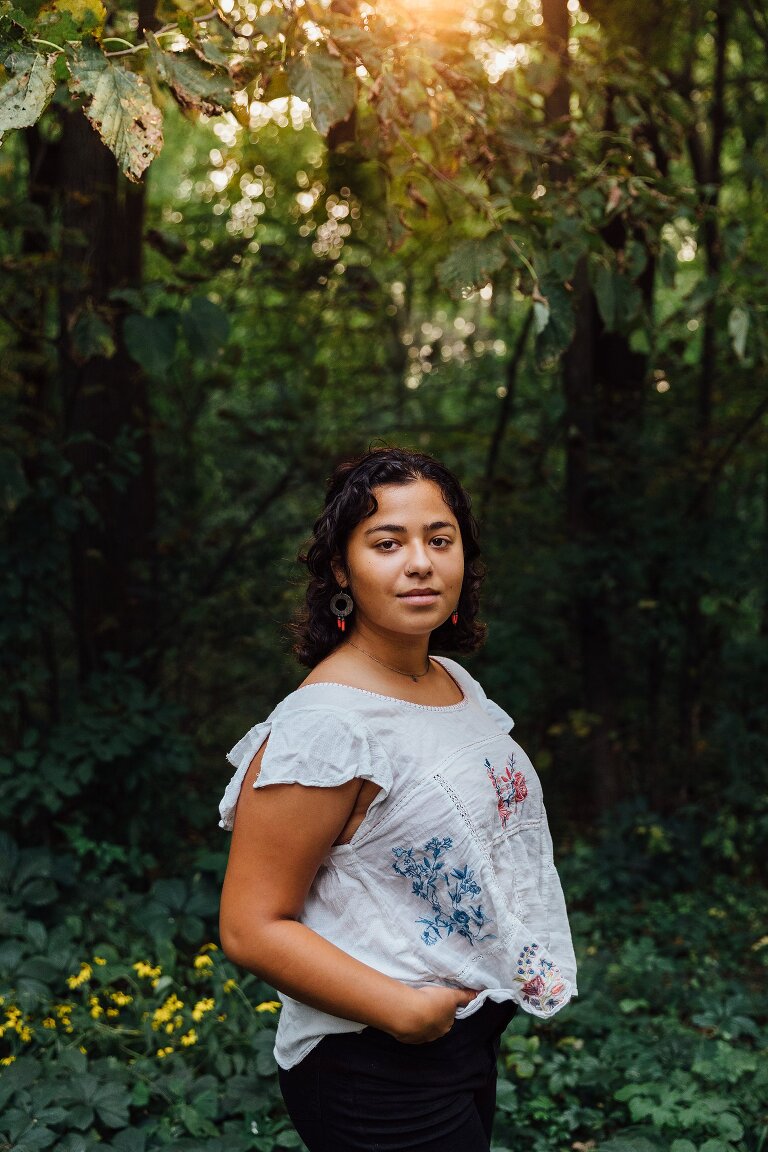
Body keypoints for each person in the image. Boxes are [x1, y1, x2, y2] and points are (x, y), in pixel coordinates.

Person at [218, 447, 577, 1152]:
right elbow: (250, 926)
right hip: (372, 1062)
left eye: (439, 540)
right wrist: (406, 1014)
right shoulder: (327, 728)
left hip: (460, 1040)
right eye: (388, 543)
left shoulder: (452, 681)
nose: (420, 562)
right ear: (340, 571)